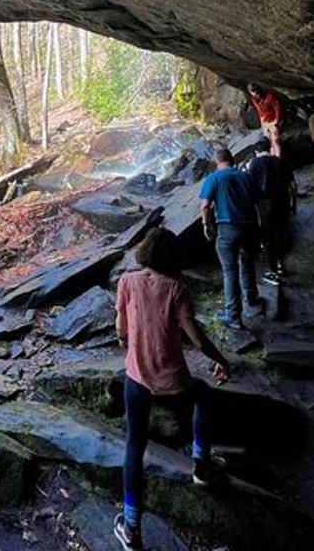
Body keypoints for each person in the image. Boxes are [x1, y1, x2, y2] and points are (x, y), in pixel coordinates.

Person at [114, 227, 231, 551]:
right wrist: (222, 360)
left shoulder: (126, 282)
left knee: (133, 448)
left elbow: (121, 330)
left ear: (146, 251)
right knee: (204, 396)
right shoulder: (176, 289)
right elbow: (197, 338)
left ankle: (131, 528)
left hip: (137, 381)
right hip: (174, 383)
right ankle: (201, 465)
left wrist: (131, 343)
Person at [199, 147, 263, 329]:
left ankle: (234, 316)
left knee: (229, 272)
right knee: (247, 261)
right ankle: (251, 295)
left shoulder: (214, 178)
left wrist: (207, 225)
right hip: (249, 226)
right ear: (232, 159)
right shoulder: (246, 176)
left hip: (228, 228)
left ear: (217, 162)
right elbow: (258, 201)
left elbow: (205, 206)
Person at [246, 139, 296, 282]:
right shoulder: (281, 162)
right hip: (282, 202)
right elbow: (292, 186)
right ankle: (281, 265)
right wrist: (294, 204)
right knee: (281, 235)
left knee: (267, 238)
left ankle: (273, 271)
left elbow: (250, 188)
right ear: (269, 148)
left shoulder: (253, 164)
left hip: (264, 206)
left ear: (256, 151)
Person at [247, 83, 283, 157]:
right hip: (265, 121)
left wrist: (277, 121)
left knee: (275, 139)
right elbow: (259, 111)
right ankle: (274, 157)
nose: (256, 92)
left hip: (273, 120)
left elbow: (278, 109)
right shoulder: (254, 99)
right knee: (269, 141)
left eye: (256, 90)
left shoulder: (270, 95)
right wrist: (262, 123)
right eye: (253, 91)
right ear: (251, 93)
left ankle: (278, 157)